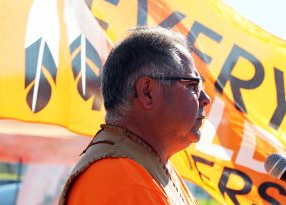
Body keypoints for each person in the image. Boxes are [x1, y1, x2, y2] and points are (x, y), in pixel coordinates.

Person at [59, 26, 211, 204]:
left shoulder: (143, 166)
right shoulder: (125, 179)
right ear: (147, 92)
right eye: (192, 85)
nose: (205, 99)